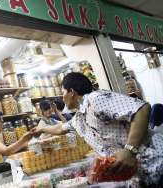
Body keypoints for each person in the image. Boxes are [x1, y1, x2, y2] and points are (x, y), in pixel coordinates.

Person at [32, 72, 163, 187]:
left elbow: (141, 109)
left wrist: (129, 150)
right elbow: (60, 128)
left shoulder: (95, 99)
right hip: (138, 173)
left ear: (72, 92)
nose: (62, 97)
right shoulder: (79, 118)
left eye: (63, 92)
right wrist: (42, 130)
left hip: (155, 161)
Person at [0, 111, 32, 177]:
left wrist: (24, 144)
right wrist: (23, 139)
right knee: (18, 165)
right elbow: (6, 151)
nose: (3, 124)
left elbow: (6, 151)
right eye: (2, 121)